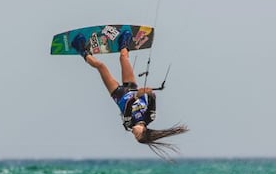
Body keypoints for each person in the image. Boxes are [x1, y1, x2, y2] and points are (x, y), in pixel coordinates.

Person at [71, 30, 188, 158]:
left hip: (118, 93)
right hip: (132, 87)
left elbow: (128, 104)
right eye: (137, 135)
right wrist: (149, 93)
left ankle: (81, 48)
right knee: (123, 57)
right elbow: (153, 98)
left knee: (101, 66)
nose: (133, 133)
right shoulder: (150, 117)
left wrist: (139, 95)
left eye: (134, 137)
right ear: (144, 130)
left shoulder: (128, 124)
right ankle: (124, 41)